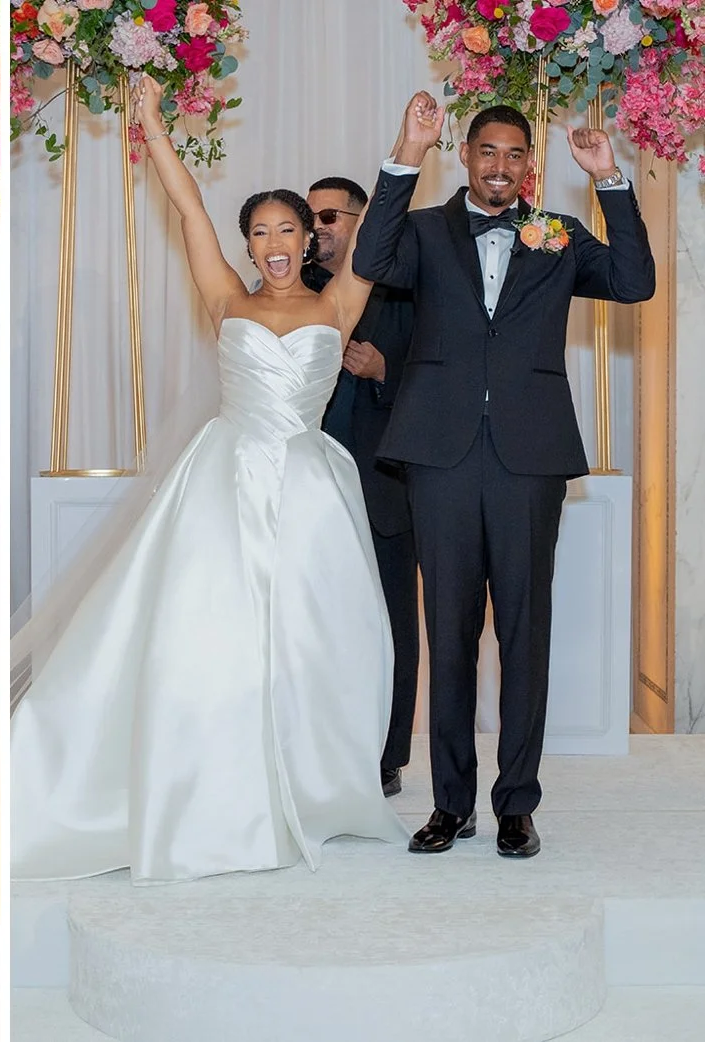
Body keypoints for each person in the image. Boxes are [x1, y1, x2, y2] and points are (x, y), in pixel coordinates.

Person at [9, 77, 410, 885]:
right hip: (221, 480)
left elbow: (380, 235)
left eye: (287, 228)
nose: (273, 241)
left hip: (308, 487)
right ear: (249, 243)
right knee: (211, 639)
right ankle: (212, 794)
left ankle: (315, 787)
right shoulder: (224, 295)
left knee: (318, 638)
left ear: (308, 240)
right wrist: (153, 125)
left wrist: (408, 150)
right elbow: (188, 208)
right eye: (259, 230)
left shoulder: (340, 304)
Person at [352, 94, 655, 858]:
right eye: (487, 151)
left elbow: (635, 281)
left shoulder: (560, 235)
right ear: (467, 156)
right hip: (439, 457)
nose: (499, 166)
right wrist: (405, 149)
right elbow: (368, 259)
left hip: (529, 458)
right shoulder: (423, 233)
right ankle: (449, 805)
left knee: (525, 633)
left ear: (530, 166)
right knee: (448, 635)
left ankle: (517, 804)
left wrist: (609, 177)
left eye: (514, 155)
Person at [303, 176, 418, 798]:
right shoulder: (294, 294)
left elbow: (440, 380)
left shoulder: (401, 291)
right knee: (315, 623)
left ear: (360, 220)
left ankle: (388, 753)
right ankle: (317, 743)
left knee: (394, 623)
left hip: (383, 486)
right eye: (308, 216)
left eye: (328, 215)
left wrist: (384, 371)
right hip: (308, 490)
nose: (315, 228)